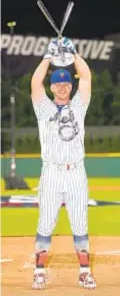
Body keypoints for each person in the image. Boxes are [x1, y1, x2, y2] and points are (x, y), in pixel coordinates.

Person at [31, 37, 97, 290]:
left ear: (70, 86)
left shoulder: (79, 106)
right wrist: (48, 56)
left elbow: (87, 77)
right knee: (46, 223)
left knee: (80, 223)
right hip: (51, 173)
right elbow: (35, 82)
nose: (61, 86)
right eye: (57, 83)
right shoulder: (43, 108)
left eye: (65, 82)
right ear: (52, 87)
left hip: (76, 173)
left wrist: (75, 54)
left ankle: (84, 272)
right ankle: (39, 272)